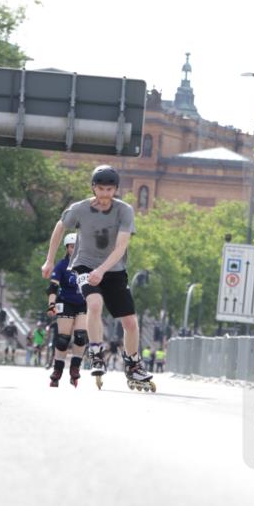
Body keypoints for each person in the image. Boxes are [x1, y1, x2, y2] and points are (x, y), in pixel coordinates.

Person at [41, 164, 154, 390]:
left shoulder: (124, 211)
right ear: (94, 187)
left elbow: (121, 246)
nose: (105, 194)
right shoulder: (80, 208)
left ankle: (133, 364)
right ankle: (95, 351)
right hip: (84, 265)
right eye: (101, 189)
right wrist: (49, 260)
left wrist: (102, 270)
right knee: (94, 304)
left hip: (113, 269)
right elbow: (60, 226)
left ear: (116, 190)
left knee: (130, 322)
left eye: (109, 190)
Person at [46, 232, 88, 387]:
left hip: (83, 302)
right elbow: (53, 287)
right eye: (71, 247)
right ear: (67, 248)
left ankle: (75, 368)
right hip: (65, 302)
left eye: (76, 247)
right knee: (63, 339)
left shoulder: (87, 265)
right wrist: (51, 304)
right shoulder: (62, 265)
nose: (73, 249)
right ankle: (57, 371)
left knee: (81, 336)